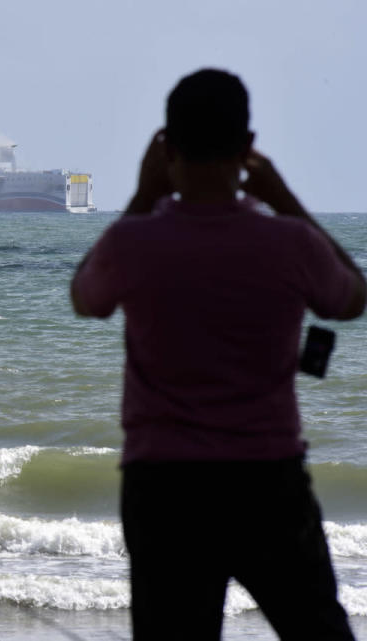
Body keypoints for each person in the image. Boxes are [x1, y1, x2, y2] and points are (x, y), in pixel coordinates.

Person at [70, 68, 365, 640]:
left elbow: (86, 299)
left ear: (166, 147)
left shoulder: (133, 243)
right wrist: (285, 200)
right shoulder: (291, 244)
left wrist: (141, 196)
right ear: (249, 149)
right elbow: (352, 298)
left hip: (164, 488)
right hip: (268, 482)